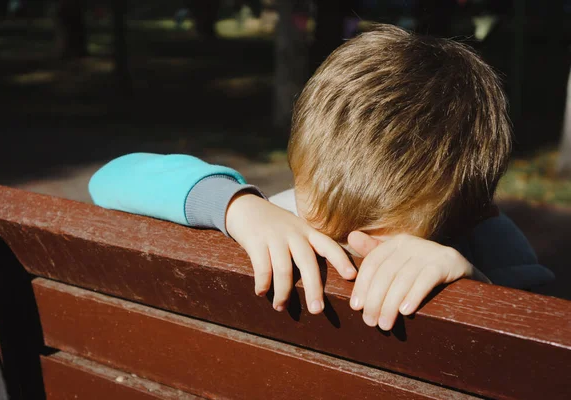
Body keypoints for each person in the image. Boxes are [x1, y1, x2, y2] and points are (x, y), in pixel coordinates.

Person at [89, 24, 554, 332]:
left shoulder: (480, 241)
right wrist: (238, 205)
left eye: (374, 232)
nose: (348, 240)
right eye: (322, 218)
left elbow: (110, 180)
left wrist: (472, 283)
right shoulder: (273, 216)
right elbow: (106, 179)